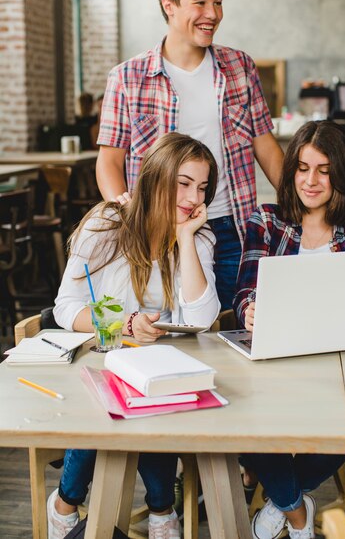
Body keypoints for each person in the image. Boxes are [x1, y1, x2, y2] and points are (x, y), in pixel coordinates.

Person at [48, 133, 220, 539]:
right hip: (104, 360)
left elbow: (201, 318)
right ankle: (67, 502)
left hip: (165, 371)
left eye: (202, 187)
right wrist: (123, 324)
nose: (194, 196)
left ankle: (161, 510)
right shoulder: (107, 223)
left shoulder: (198, 238)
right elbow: (66, 307)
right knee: (102, 409)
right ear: (156, 177)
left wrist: (185, 238)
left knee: (153, 404)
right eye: (183, 182)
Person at [95, 0, 284, 311]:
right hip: (158, 230)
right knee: (167, 326)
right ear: (169, 4)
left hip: (230, 227)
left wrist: (300, 203)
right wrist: (126, 209)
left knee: (231, 324)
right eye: (200, 3)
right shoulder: (127, 78)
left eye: (217, 2)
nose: (212, 14)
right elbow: (109, 162)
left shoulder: (239, 67)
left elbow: (267, 148)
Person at [233, 120, 345, 539]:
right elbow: (244, 291)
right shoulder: (267, 220)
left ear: (342, 174)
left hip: (333, 374)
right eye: (301, 168)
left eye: (323, 170)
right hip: (268, 369)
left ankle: (282, 494)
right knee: (241, 424)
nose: (310, 181)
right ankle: (298, 514)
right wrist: (249, 311)